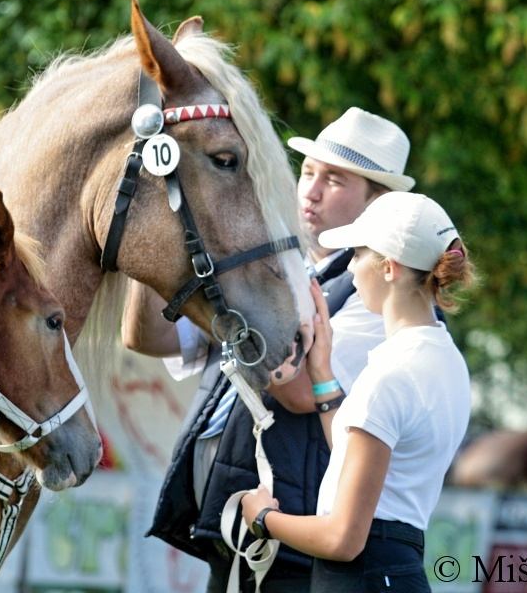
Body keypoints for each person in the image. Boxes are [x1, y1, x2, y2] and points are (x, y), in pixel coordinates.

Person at [125, 107, 415, 592]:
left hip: (293, 543)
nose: (311, 192)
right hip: (236, 531)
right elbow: (146, 337)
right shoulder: (265, 270)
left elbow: (304, 393)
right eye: (308, 172)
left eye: (336, 181)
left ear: (378, 204)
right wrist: (155, 231)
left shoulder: (376, 295)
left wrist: (244, 319)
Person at [241, 192, 476, 591]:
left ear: (389, 267)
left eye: (357, 255)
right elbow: (361, 460)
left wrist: (262, 518)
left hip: (361, 576)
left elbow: (342, 540)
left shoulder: (392, 373)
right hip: (394, 568)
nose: (350, 269)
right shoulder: (444, 357)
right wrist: (323, 374)